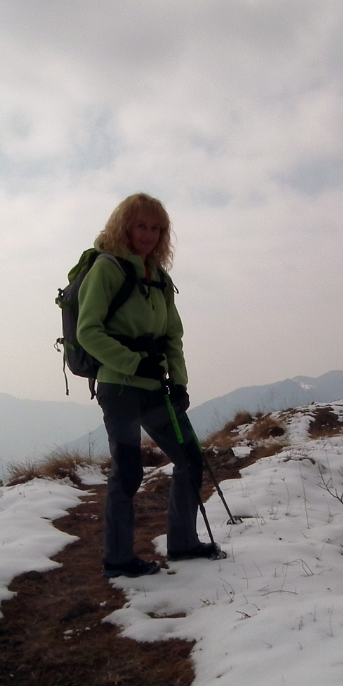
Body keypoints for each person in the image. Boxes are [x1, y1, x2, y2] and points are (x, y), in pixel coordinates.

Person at [77, 193, 225, 578]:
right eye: (141, 225)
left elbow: (173, 336)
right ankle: (118, 559)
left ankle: (183, 543)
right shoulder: (107, 270)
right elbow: (88, 331)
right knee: (128, 471)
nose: (149, 234)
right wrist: (133, 361)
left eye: (156, 228)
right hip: (120, 387)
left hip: (156, 387)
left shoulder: (158, 276)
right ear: (124, 226)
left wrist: (179, 382)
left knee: (190, 459)